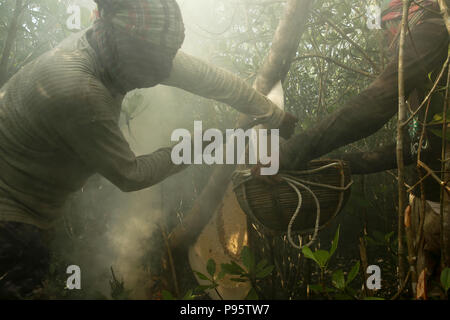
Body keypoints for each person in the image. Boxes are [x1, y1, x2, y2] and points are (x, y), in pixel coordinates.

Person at [0, 0, 297, 299]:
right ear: (130, 51)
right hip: (10, 219)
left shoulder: (120, 47)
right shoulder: (81, 90)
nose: (162, 72)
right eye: (154, 66)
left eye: (166, 60)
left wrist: (275, 115)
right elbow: (130, 175)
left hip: (32, 212)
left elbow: (211, 80)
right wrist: (190, 150)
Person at [280, 0, 449, 295]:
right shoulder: (430, 59)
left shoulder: (432, 32)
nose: (385, 38)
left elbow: (374, 105)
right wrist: (340, 162)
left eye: (387, 28)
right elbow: (415, 145)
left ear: (406, 17)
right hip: (430, 202)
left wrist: (294, 150)